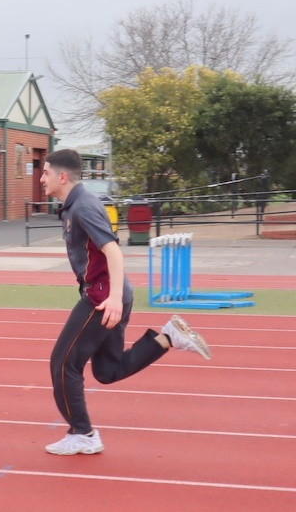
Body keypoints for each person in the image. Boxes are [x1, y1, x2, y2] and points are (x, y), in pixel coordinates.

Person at [39, 148, 211, 456]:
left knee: (63, 363)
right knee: (108, 370)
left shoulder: (84, 207)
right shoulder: (72, 205)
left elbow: (114, 252)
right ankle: (167, 337)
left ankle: (83, 434)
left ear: (62, 176)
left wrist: (114, 299)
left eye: (45, 173)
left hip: (103, 297)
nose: (41, 179)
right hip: (110, 293)